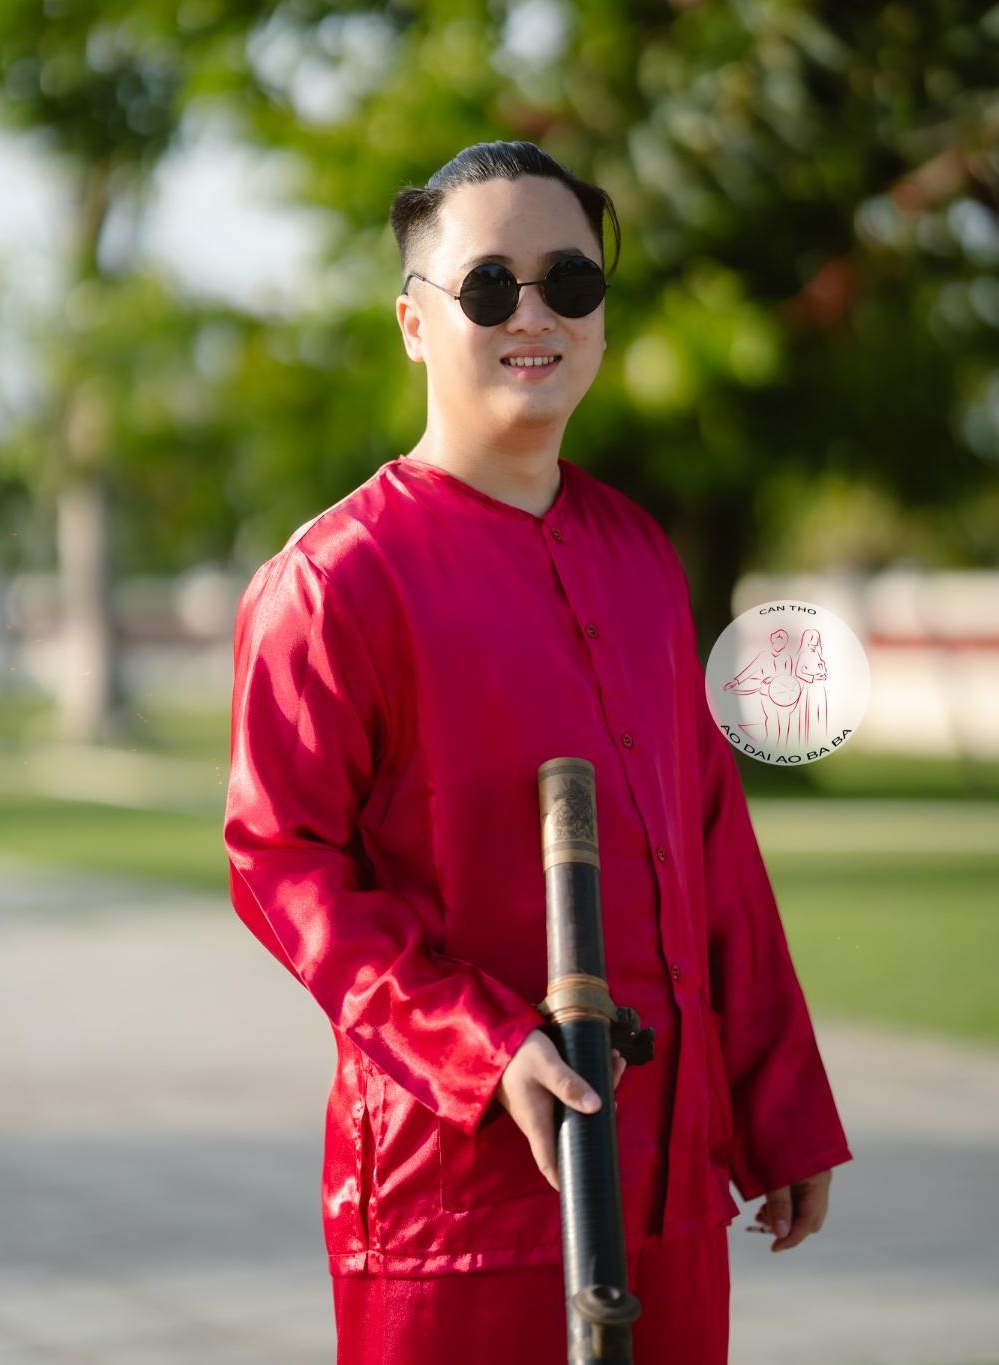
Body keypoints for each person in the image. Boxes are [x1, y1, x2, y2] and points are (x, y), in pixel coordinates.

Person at [223, 140, 853, 1365]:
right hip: (452, 1190)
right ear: (415, 323)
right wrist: (483, 1044)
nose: (532, 315)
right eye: (488, 286)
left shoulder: (639, 555)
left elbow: (712, 844)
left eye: (568, 282)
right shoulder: (335, 582)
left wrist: (777, 1106)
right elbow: (281, 865)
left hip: (671, 1182)